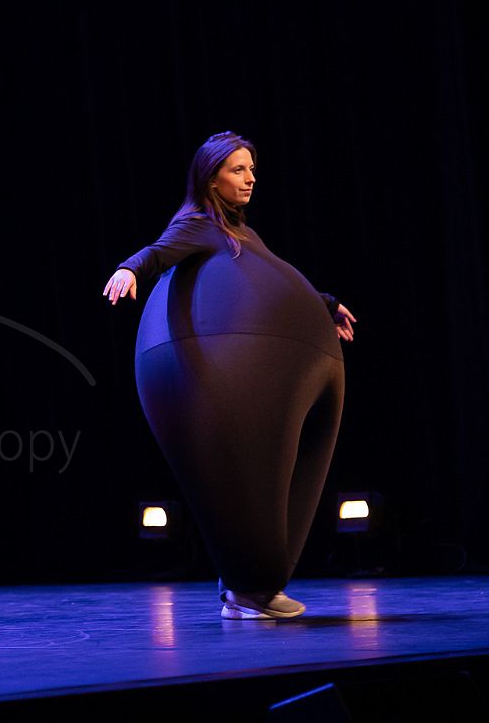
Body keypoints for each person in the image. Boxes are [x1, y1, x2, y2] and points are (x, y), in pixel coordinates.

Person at [102, 131, 355, 620]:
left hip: (288, 367)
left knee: (287, 482)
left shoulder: (243, 235)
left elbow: (270, 277)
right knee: (250, 480)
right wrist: (129, 269)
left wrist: (324, 305)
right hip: (219, 371)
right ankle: (249, 588)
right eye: (238, 169)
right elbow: (160, 251)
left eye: (252, 169)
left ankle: (249, 584)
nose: (250, 178)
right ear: (211, 179)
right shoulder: (200, 226)